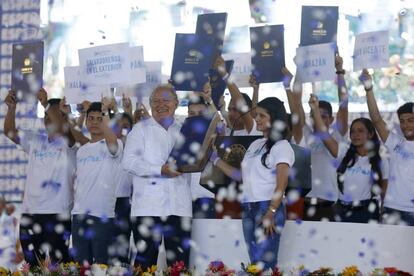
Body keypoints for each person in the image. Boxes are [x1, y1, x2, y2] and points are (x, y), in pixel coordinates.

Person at [211, 97, 294, 270]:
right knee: (255, 265)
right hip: (248, 207)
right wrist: (215, 160)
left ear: (275, 119)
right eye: (256, 115)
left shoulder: (282, 146)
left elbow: (282, 183)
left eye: (262, 116)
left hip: (268, 207)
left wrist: (270, 213)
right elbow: (241, 176)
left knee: (266, 266)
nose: (256, 119)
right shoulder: (256, 143)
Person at [122, 84, 193, 268]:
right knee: (144, 266)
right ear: (150, 104)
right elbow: (128, 162)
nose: (161, 104)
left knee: (180, 266)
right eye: (156, 101)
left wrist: (211, 140)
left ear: (176, 103)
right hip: (148, 209)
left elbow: (198, 160)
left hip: (179, 209)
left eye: (166, 100)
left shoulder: (186, 132)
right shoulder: (139, 130)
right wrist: (159, 169)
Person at [3, 89, 75, 265]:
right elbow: (10, 132)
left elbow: (60, 128)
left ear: (64, 117)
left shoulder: (71, 142)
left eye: (53, 113)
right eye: (46, 115)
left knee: (60, 267)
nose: (48, 117)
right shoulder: (36, 140)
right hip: (30, 213)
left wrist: (45, 103)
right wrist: (11, 108)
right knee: (32, 266)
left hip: (57, 213)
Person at [309, 94, 388, 223]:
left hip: (367, 212)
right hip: (341, 210)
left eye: (360, 131)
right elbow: (323, 133)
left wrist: (383, 215)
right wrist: (315, 109)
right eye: (353, 131)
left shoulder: (381, 160)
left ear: (371, 134)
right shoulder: (343, 152)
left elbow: (384, 193)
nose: (355, 135)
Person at [293, 54, 349, 221]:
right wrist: (299, 69)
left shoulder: (338, 134)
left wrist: (339, 71)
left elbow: (344, 103)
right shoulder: (306, 134)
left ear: (331, 119)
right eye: (317, 115)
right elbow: (296, 103)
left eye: (325, 116)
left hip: (329, 206)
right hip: (305, 204)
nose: (319, 118)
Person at [70, 99, 123, 265]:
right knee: (80, 267)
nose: (94, 122)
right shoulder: (82, 150)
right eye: (90, 118)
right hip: (79, 215)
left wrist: (106, 112)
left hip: (102, 215)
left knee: (101, 267)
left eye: (99, 118)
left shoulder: (115, 145)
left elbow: (112, 141)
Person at [360, 69, 414, 226]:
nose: (406, 125)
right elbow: (376, 120)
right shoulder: (396, 142)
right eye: (402, 121)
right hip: (392, 209)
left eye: (410, 120)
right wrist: (369, 89)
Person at [214, 56, 261, 136]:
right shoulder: (223, 132)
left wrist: (225, 75)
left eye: (236, 110)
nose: (231, 113)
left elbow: (240, 102)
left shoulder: (253, 130)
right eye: (229, 109)